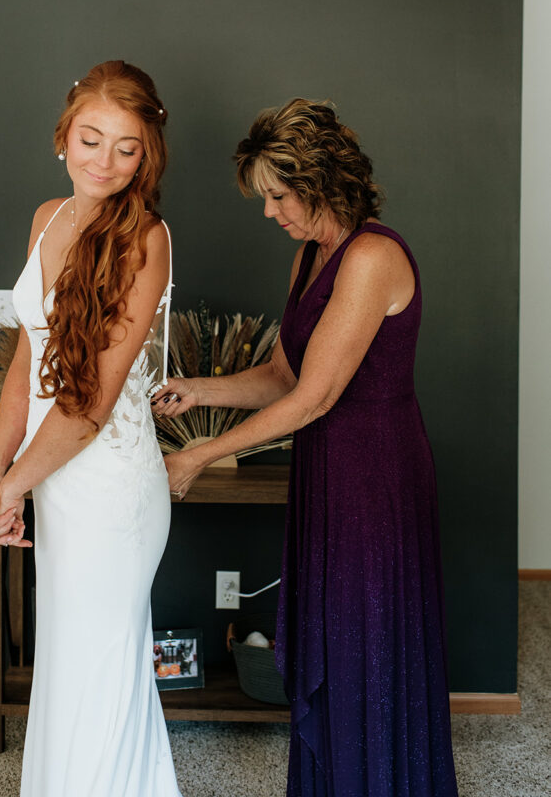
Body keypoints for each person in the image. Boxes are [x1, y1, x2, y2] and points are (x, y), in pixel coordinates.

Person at [154, 99, 459, 797]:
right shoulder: (309, 256)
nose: (269, 212)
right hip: (327, 469)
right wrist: (200, 389)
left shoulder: (374, 255)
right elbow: (286, 375)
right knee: (337, 639)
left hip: (376, 475)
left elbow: (314, 398)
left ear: (320, 180)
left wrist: (198, 455)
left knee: (368, 646)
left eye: (278, 195)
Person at [0, 60, 182, 797]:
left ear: (145, 154)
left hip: (110, 488)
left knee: (100, 670)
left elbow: (88, 403)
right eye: (91, 139)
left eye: (126, 147)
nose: (106, 161)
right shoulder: (47, 217)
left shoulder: (144, 238)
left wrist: (14, 485)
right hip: (51, 471)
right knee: (69, 664)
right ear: (63, 136)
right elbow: (28, 357)